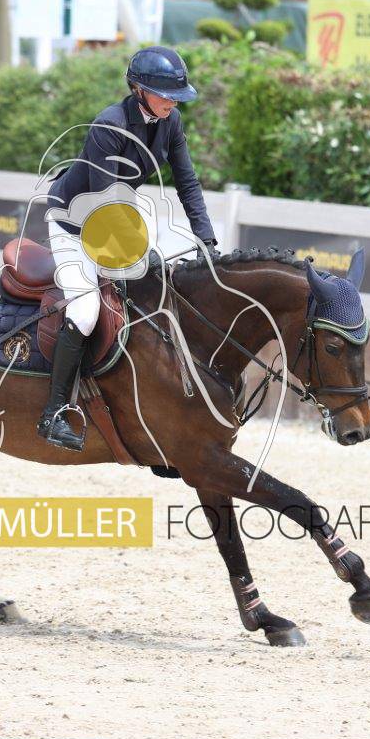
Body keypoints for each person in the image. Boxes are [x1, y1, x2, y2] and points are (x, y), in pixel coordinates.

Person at [37, 45, 218, 452]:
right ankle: (53, 412)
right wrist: (139, 254)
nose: (173, 103)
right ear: (139, 90)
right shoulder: (109, 125)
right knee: (86, 310)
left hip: (116, 214)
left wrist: (206, 239)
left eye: (176, 96)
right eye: (166, 95)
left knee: (150, 299)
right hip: (74, 222)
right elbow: (104, 201)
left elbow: (187, 182)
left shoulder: (170, 122)